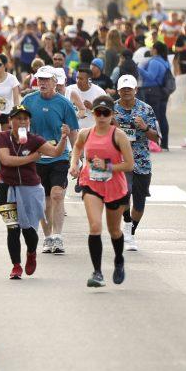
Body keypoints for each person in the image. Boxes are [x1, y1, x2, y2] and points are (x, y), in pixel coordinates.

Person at [0, 108, 68, 279]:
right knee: (12, 228)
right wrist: (32, 158)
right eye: (18, 119)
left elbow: (56, 152)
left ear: (29, 122)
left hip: (30, 189)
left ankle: (31, 253)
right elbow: (6, 160)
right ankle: (16, 266)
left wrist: (63, 138)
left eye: (25, 119)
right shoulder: (2, 137)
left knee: (28, 230)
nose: (22, 122)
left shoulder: (34, 140)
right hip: (7, 188)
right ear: (10, 121)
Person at [69, 96, 135, 288]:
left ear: (112, 115)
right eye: (98, 112)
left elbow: (129, 165)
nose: (102, 116)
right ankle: (97, 272)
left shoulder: (119, 135)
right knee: (95, 226)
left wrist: (108, 167)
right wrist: (75, 163)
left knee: (114, 230)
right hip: (91, 184)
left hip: (115, 186)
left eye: (106, 113)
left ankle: (119, 260)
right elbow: (77, 147)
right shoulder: (85, 133)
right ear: (93, 113)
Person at [21, 65, 78, 254]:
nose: (42, 83)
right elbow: (19, 125)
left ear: (55, 82)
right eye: (40, 79)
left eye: (46, 80)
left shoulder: (64, 103)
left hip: (59, 156)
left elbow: (74, 133)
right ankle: (47, 238)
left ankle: (58, 236)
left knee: (57, 195)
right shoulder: (28, 100)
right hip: (37, 158)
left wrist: (77, 158)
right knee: (44, 200)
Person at [112, 75, 160, 250]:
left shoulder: (145, 109)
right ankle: (126, 223)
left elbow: (157, 137)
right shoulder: (111, 109)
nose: (126, 92)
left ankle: (131, 232)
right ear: (118, 91)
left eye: (129, 89)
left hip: (141, 161)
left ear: (135, 90)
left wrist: (145, 127)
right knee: (125, 193)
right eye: (123, 89)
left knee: (139, 202)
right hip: (120, 159)